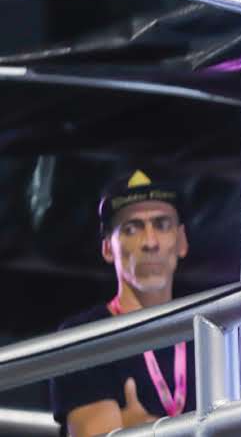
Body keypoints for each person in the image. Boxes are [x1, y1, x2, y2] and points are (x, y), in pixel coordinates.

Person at [50, 170, 195, 437]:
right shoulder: (84, 337)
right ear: (108, 247)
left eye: (162, 225)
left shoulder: (207, 332)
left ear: (182, 241)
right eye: (132, 228)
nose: (150, 242)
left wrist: (145, 431)